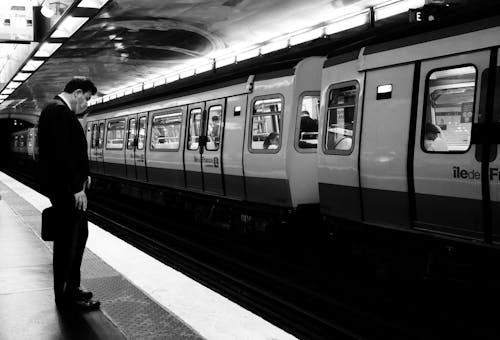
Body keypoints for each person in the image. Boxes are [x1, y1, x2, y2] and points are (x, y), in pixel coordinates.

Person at [38, 77, 100, 311]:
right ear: (76, 93)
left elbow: (70, 152)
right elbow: (62, 154)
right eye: (85, 98)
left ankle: (71, 287)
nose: (86, 104)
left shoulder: (58, 112)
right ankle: (66, 296)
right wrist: (76, 187)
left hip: (68, 188)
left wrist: (85, 176)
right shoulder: (58, 112)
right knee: (68, 243)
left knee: (78, 237)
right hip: (67, 190)